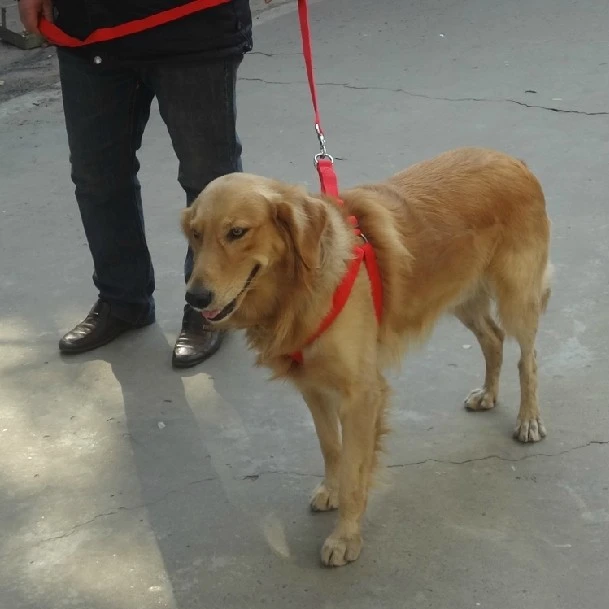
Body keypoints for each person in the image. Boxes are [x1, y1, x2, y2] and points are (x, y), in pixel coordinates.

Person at [19, 0, 253, 367]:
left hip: (193, 27)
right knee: (97, 176)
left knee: (208, 185)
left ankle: (212, 306)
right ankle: (122, 301)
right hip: (89, 29)